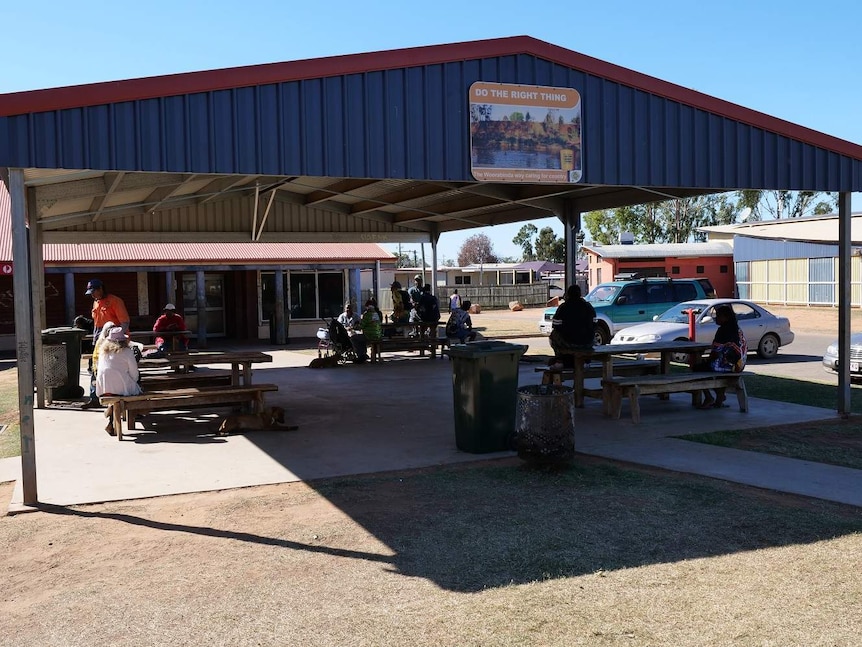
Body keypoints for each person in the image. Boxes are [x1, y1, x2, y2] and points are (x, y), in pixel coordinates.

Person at [83, 279, 130, 408]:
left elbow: (124, 322)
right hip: (99, 339)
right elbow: (97, 324)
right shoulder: (96, 303)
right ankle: (94, 398)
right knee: (95, 367)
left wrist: (118, 340)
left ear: (101, 289)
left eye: (94, 292)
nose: (92, 295)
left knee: (113, 368)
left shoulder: (115, 301)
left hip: (114, 342)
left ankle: (120, 398)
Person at [697, 304, 747, 409]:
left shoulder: (723, 330)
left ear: (726, 317)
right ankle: (719, 399)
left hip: (728, 365)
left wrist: (706, 361)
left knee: (697, 369)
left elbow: (715, 352)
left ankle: (709, 397)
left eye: (719, 316)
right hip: (739, 365)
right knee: (717, 370)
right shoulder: (736, 329)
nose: (716, 318)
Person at [96, 326, 142, 436]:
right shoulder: (127, 352)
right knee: (133, 388)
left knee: (117, 393)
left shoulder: (103, 352)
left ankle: (112, 414)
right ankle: (129, 416)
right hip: (122, 388)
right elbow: (134, 375)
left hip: (103, 388)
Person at [549, 285, 597, 369]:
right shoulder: (588, 306)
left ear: (568, 294)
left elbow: (556, 325)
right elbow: (595, 323)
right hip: (587, 343)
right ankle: (586, 361)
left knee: (553, 335)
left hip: (569, 342)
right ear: (580, 294)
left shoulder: (564, 307)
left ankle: (560, 360)